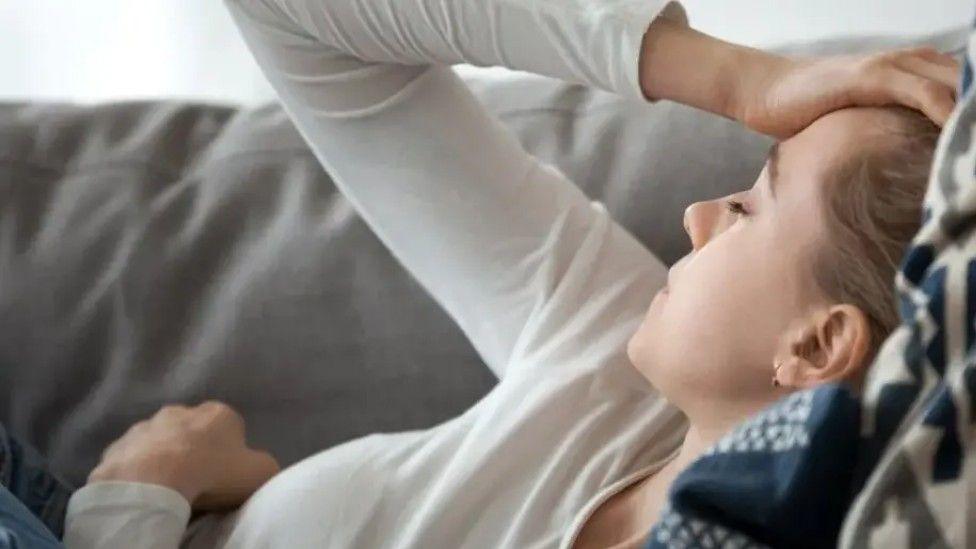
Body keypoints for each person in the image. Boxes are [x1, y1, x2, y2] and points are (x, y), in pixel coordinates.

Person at [22, 0, 953, 548]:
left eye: (749, 206)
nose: (696, 215)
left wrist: (135, 496)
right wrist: (732, 77)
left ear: (819, 342)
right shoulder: (600, 353)